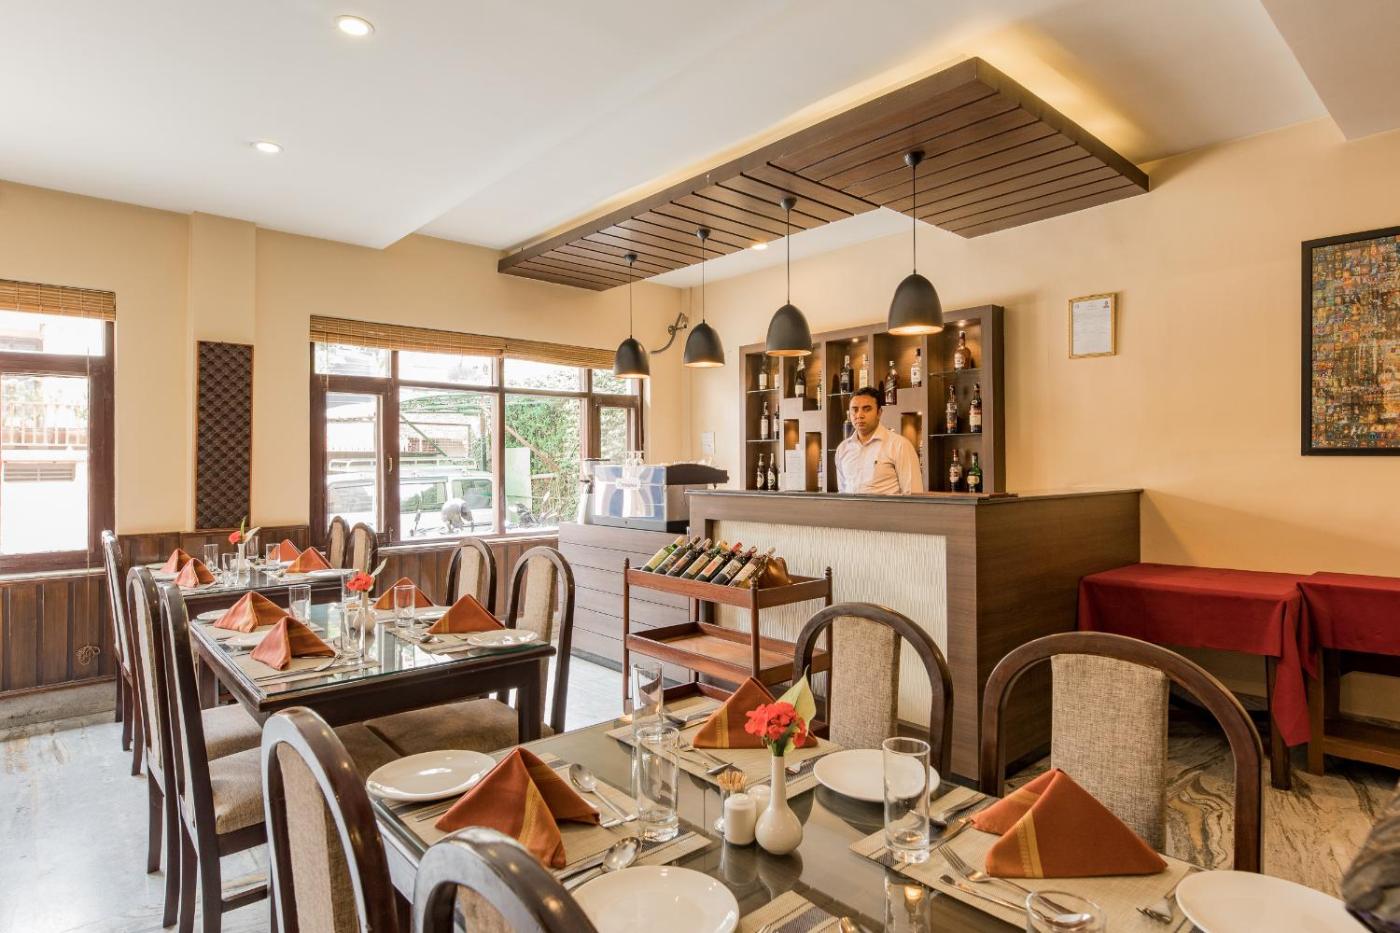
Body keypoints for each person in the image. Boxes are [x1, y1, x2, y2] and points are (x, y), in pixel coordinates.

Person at [834, 386, 924, 495]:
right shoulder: (843, 449)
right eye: (855, 409)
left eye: (867, 409)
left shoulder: (899, 445)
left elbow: (913, 494)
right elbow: (842, 493)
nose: (859, 415)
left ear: (879, 413)